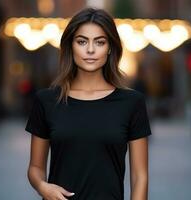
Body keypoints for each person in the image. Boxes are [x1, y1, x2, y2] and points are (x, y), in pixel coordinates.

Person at [25, 7, 152, 200]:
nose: (90, 50)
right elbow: (35, 168)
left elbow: (140, 176)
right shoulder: (47, 101)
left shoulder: (132, 103)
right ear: (70, 46)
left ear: (110, 47)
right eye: (82, 41)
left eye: (99, 42)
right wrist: (43, 188)